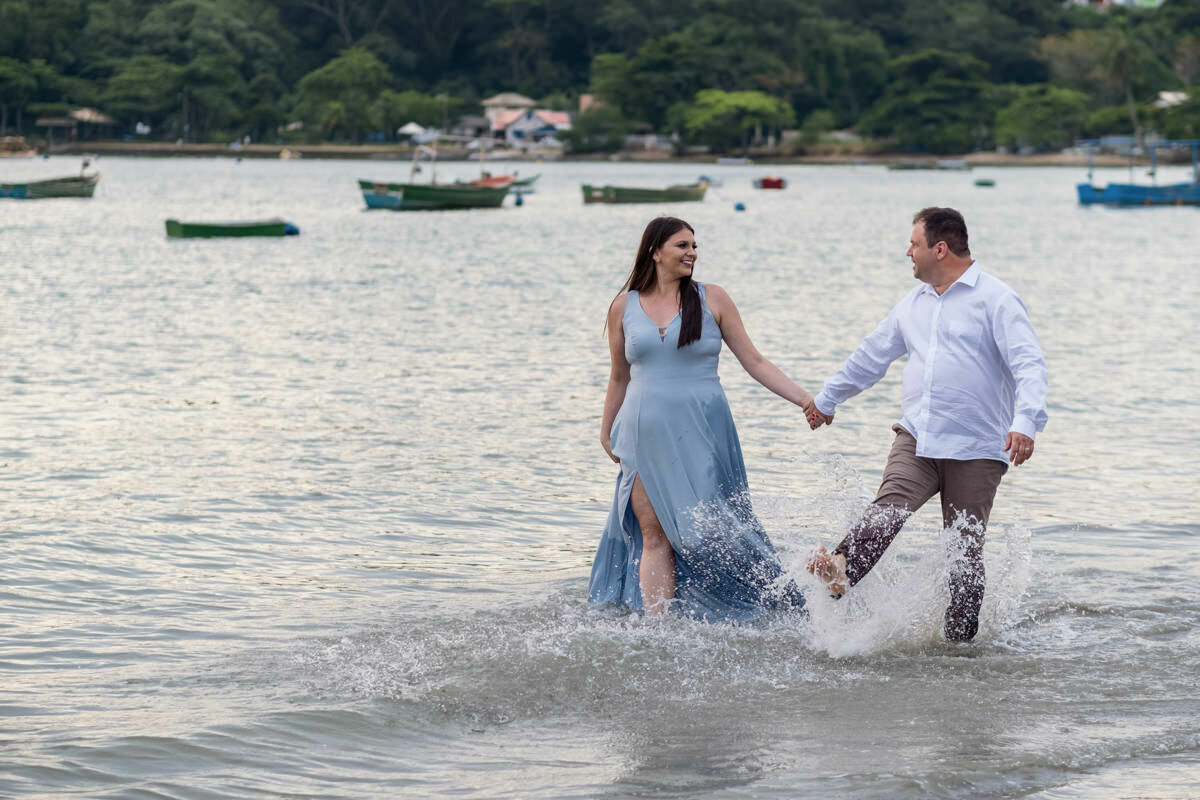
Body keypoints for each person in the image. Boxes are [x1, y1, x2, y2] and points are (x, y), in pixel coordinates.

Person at [805, 207, 1048, 641]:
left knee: (964, 555)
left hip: (977, 447)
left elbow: (1029, 363)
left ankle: (961, 650)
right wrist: (827, 400)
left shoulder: (996, 298)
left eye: (913, 244)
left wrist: (1025, 422)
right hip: (917, 437)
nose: (907, 252)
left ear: (940, 248)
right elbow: (871, 356)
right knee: (888, 508)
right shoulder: (912, 305)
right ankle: (842, 569)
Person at [587, 216, 814, 622]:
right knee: (654, 533)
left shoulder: (713, 299)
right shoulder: (624, 305)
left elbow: (755, 361)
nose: (692, 252)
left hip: (702, 431)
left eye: (694, 246)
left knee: (708, 534)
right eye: (682, 245)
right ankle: (658, 628)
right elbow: (619, 375)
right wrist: (606, 429)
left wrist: (803, 399)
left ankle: (768, 602)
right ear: (655, 251)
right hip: (642, 433)